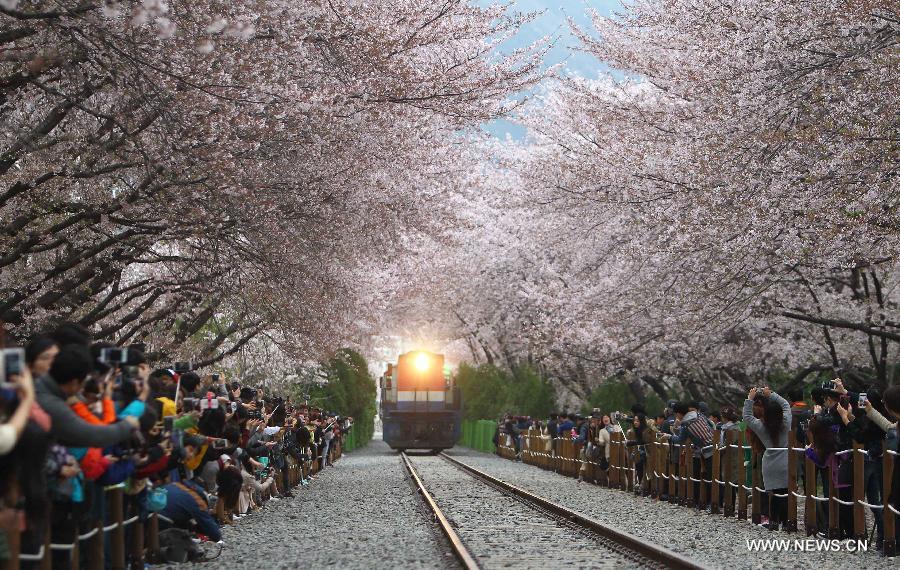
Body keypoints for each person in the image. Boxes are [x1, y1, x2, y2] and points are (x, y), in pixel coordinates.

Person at [35, 344, 138, 447]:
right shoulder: (53, 405)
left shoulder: (39, 387)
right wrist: (127, 425)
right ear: (74, 383)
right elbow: (93, 436)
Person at [743, 387, 791, 531]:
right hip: (785, 460)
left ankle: (774, 521)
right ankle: (786, 522)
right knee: (786, 493)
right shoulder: (786, 422)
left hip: (770, 462)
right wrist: (772, 395)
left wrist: (750, 399)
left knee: (773, 494)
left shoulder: (761, 426)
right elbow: (786, 405)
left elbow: (747, 417)